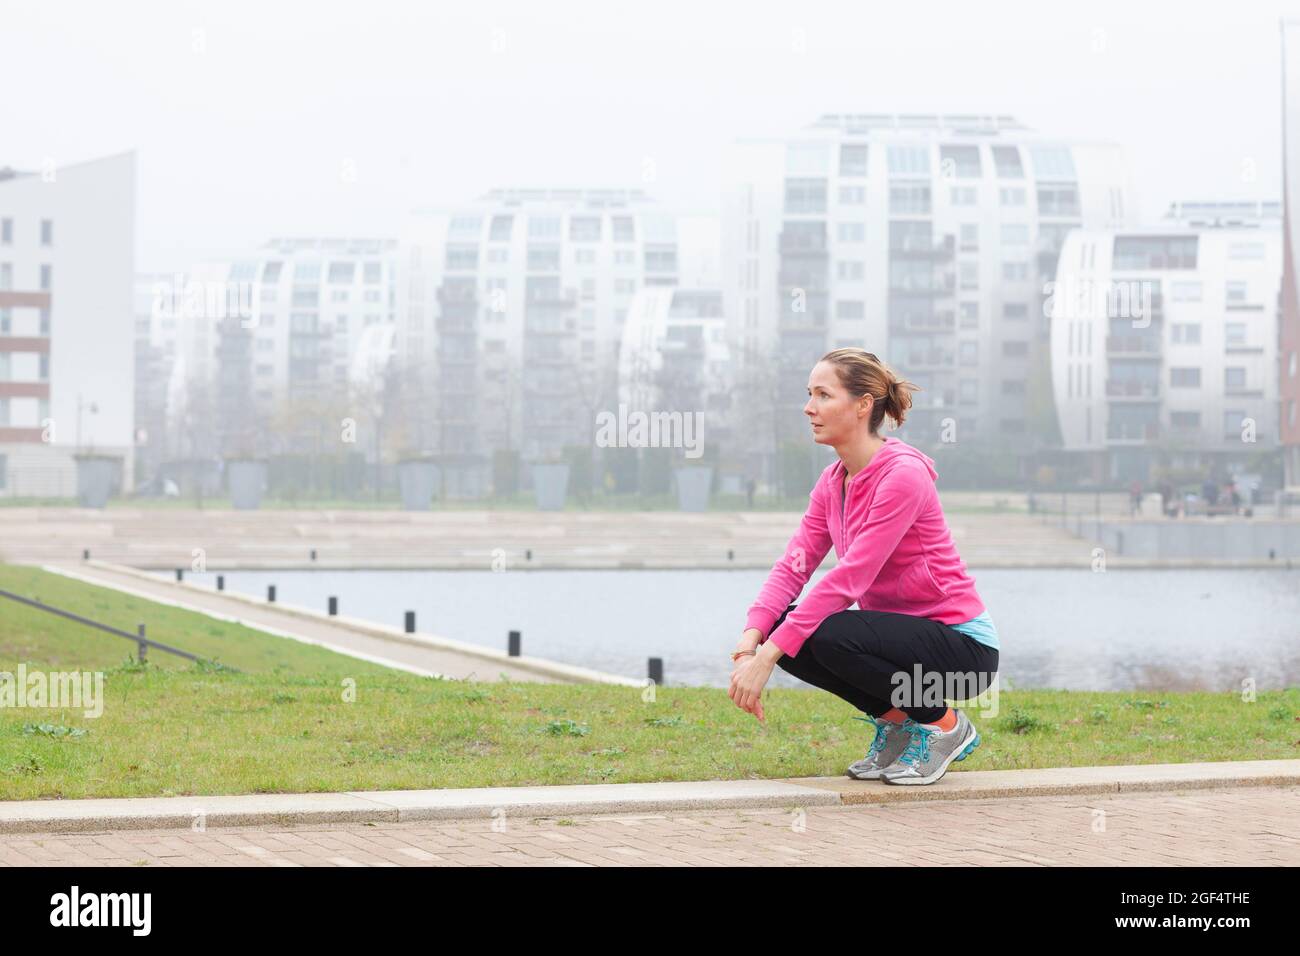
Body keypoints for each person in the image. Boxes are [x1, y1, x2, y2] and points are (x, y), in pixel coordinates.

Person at [728, 348, 999, 787]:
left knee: (821, 633)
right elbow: (793, 567)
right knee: (785, 623)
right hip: (899, 642)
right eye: (809, 394)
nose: (808, 407)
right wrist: (749, 647)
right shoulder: (834, 481)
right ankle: (898, 725)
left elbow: (851, 577)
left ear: (862, 405)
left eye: (822, 394)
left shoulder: (903, 476)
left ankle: (945, 726)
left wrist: (770, 655)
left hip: (963, 649)